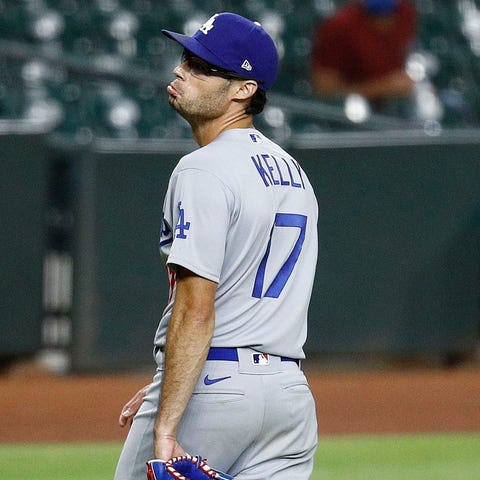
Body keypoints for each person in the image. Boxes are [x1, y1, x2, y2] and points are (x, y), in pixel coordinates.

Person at [113, 12, 319, 480]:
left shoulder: (202, 168)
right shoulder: (295, 173)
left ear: (244, 89)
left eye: (202, 66)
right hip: (288, 399)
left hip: (214, 390)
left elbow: (196, 307)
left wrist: (167, 423)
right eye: (185, 58)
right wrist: (166, 386)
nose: (180, 71)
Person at [311, 0, 417, 110]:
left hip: (400, 108)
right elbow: (324, 93)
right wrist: (382, 88)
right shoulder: (338, 26)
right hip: (353, 114)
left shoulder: (406, 12)